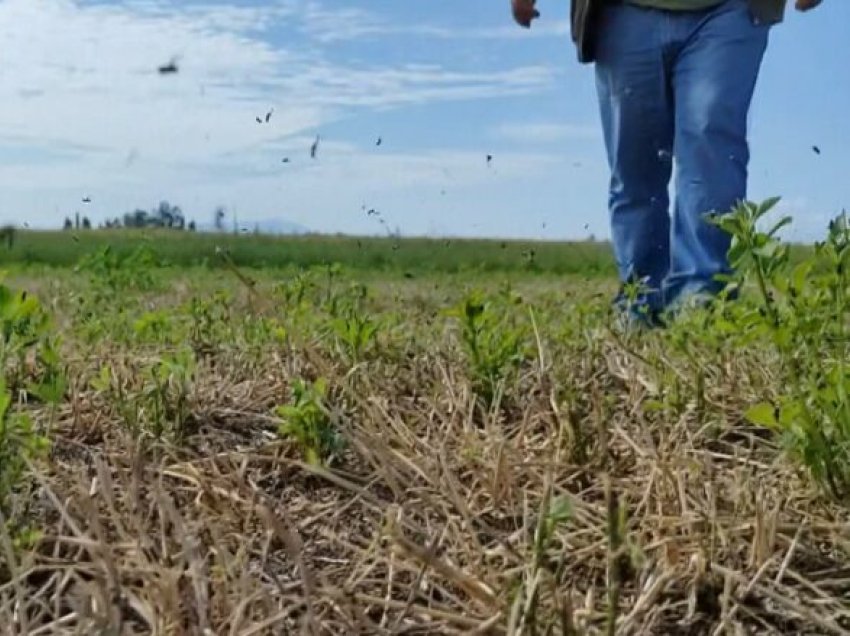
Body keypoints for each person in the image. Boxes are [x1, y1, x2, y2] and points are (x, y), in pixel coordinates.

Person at [511, 0, 823, 325]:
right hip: (623, 12)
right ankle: (640, 300)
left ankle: (702, 300)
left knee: (710, 135)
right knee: (634, 163)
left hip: (730, 11)